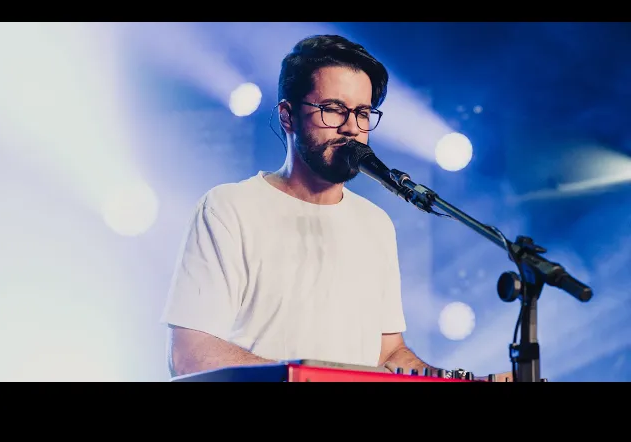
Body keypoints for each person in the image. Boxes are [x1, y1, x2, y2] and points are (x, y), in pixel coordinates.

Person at [161, 34, 511, 382]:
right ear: (288, 116)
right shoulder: (228, 209)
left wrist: (456, 381)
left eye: (362, 113)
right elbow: (190, 355)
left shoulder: (375, 224)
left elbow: (389, 354)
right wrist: (309, 377)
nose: (351, 128)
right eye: (333, 109)